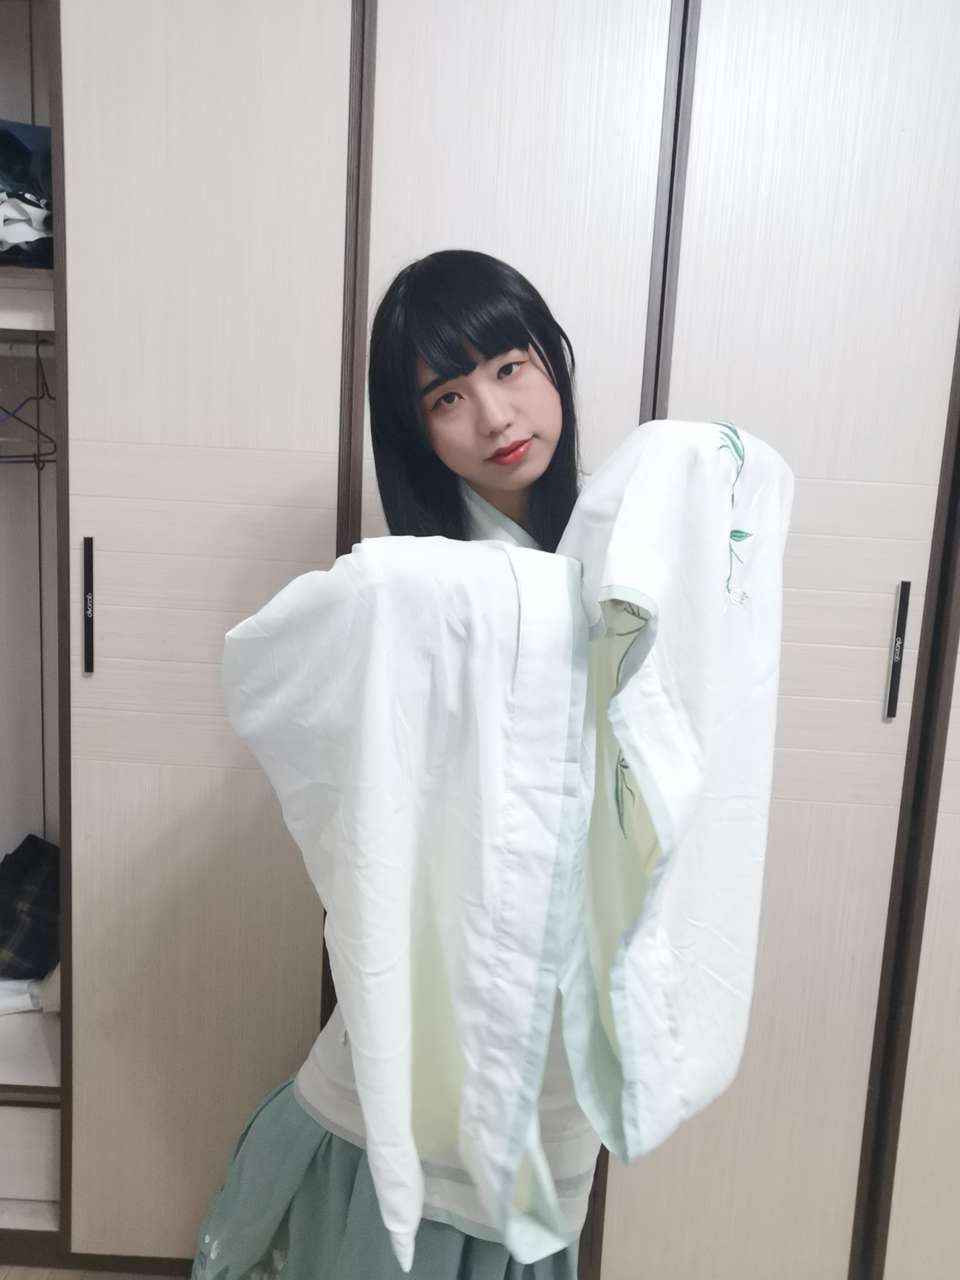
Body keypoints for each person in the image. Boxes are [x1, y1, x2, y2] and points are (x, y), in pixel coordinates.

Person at [190, 250, 594, 1280]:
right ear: (416, 429)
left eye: (509, 367)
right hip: (442, 972)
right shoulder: (413, 588)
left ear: (552, 359)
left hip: (566, 981)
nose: (494, 415)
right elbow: (275, 660)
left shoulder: (620, 551)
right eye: (447, 397)